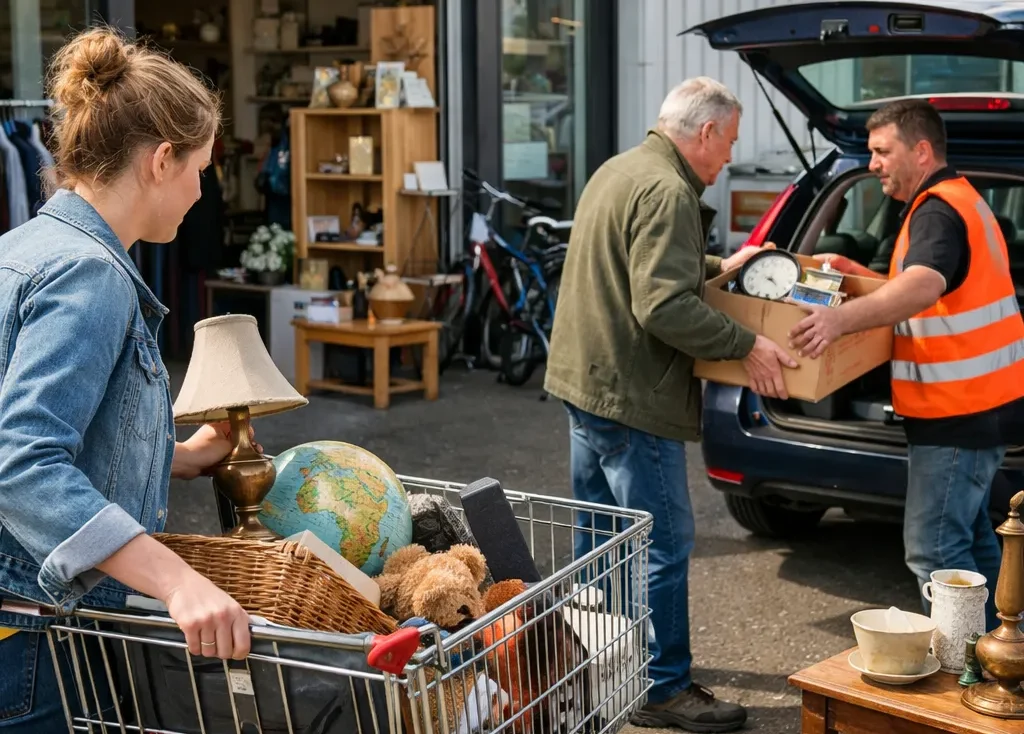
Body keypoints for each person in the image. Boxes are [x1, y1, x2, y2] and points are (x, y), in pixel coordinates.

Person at [0, 27, 255, 731]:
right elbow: (23, 462)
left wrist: (177, 456)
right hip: (43, 645)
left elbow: (61, 430)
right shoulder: (90, 274)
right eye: (200, 169)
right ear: (162, 160)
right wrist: (178, 583)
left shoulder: (23, 247)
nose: (200, 191)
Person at [543, 77, 797, 733]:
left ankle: (601, 670)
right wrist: (749, 345)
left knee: (603, 542)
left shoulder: (622, 170)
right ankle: (663, 687)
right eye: (729, 141)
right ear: (705, 132)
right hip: (634, 397)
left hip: (585, 384)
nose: (729, 156)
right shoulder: (669, 190)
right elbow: (663, 305)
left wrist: (725, 263)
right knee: (662, 544)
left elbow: (645, 261)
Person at [789, 98, 1024, 632]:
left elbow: (924, 286)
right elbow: (935, 288)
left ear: (920, 151)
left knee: (932, 550)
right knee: (969, 539)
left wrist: (838, 321)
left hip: (958, 412)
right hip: (982, 406)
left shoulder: (937, 210)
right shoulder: (960, 199)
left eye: (881, 151)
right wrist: (858, 272)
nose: (872, 163)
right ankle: (1003, 647)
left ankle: (964, 667)